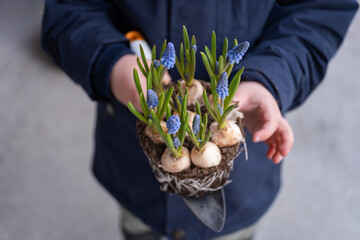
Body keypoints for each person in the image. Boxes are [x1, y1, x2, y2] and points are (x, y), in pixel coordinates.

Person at [41, 1, 358, 239]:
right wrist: (114, 65)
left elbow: (320, 11)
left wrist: (271, 77)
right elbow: (70, 10)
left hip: (240, 187)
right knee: (139, 230)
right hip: (135, 170)